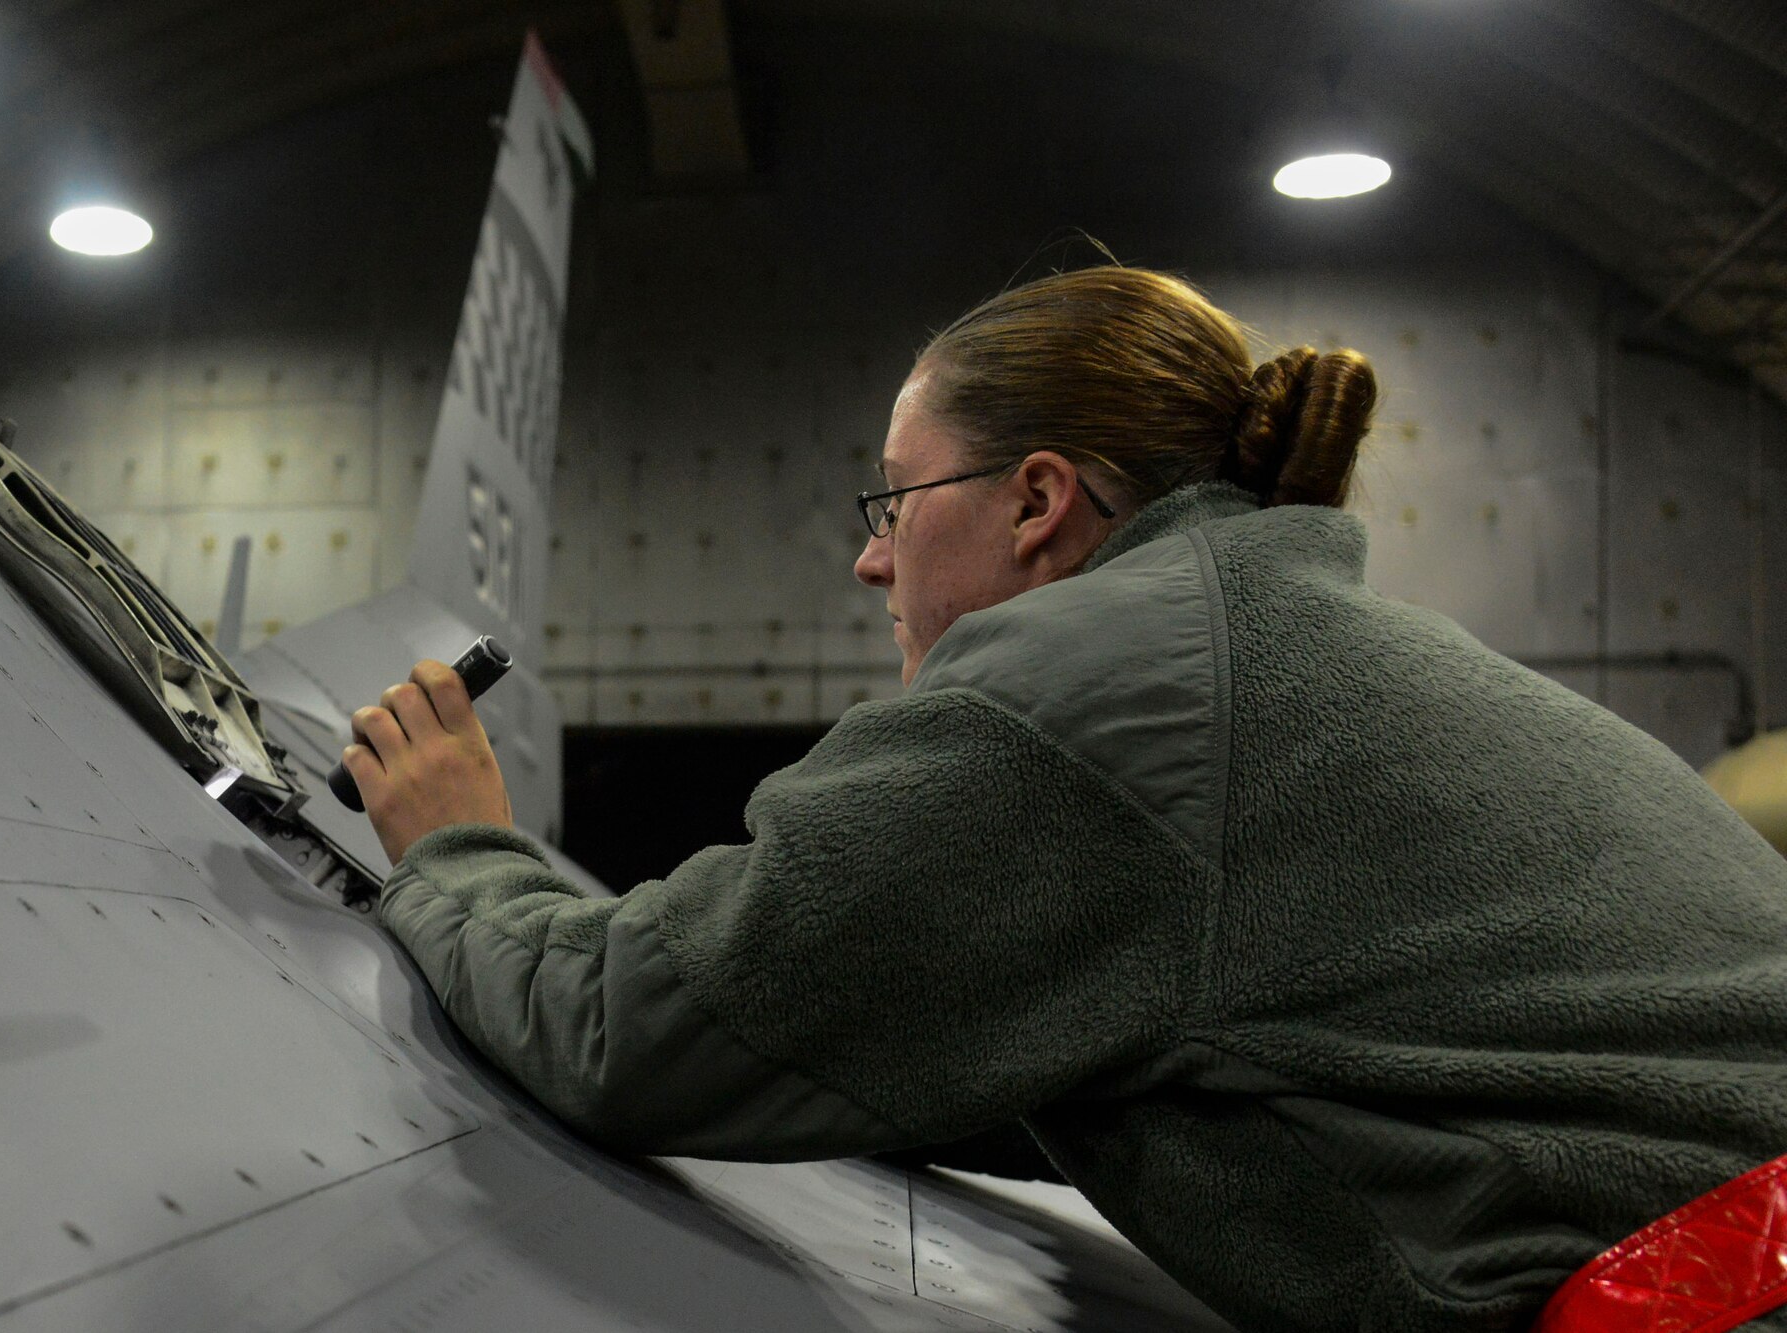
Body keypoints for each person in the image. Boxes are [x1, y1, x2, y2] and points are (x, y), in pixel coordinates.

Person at [340, 264, 1787, 1333]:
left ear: (1035, 503)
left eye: (894, 502)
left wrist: (458, 843)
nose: (872, 561)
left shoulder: (1097, 683)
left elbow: (642, 1024)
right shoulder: (1258, 635)